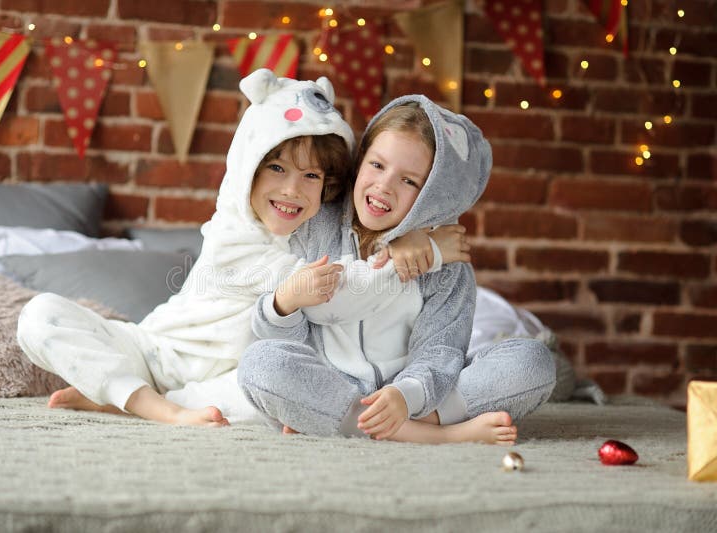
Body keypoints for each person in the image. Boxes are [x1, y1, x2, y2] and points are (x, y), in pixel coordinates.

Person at [17, 69, 467, 426]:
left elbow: (369, 227)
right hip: (154, 351)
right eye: (275, 167)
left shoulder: (316, 230)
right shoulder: (234, 233)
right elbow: (340, 291)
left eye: (311, 176)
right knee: (40, 315)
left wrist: (410, 235)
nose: (292, 190)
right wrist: (430, 251)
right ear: (246, 165)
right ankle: (155, 406)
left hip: (222, 381)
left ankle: (122, 398)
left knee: (271, 388)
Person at [238, 96, 557, 445]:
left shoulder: (446, 266)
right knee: (260, 363)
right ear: (360, 163)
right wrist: (282, 305)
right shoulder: (315, 226)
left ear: (432, 196)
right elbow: (289, 339)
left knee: (532, 361)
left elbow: (441, 350)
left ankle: (367, 423)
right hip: (336, 391)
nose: (384, 186)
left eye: (409, 181)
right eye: (377, 165)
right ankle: (438, 435)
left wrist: (405, 396)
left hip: (417, 396)